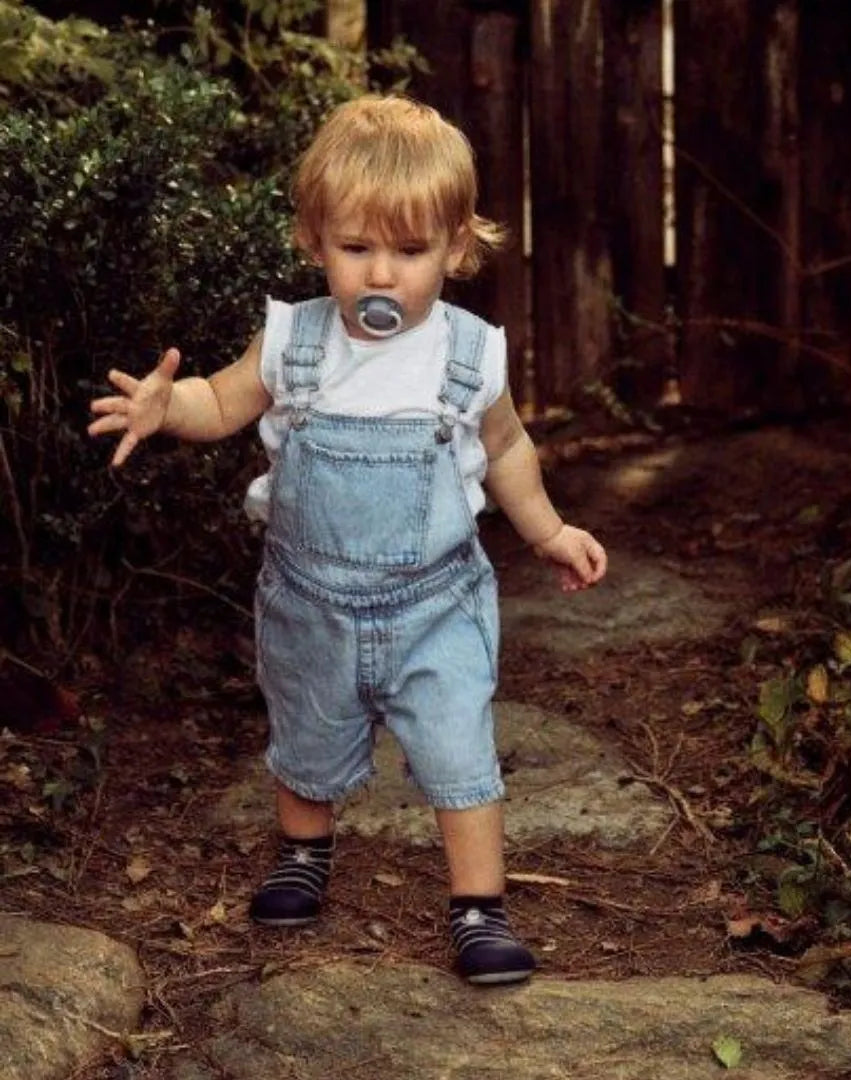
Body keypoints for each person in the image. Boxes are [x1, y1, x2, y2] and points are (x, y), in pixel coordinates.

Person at [88, 93, 607, 986]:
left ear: (453, 246)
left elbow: (507, 446)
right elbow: (219, 400)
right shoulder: (296, 341)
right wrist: (165, 405)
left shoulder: (468, 354)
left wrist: (549, 529)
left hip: (434, 605)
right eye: (356, 248)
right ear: (313, 241)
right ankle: (303, 853)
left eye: (409, 253)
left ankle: (479, 908)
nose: (381, 276)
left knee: (457, 746)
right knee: (307, 735)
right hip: (311, 603)